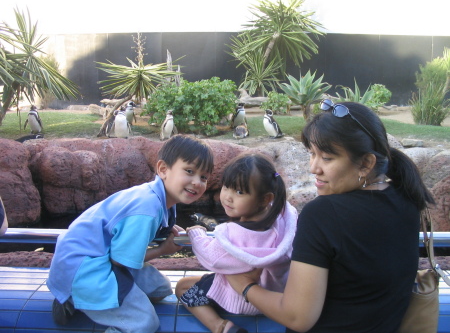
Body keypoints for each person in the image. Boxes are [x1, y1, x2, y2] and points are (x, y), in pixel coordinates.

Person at [225, 100, 435, 332]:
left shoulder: (324, 214)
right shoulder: (407, 198)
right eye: (312, 154)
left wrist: (245, 286)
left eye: (327, 158)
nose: (314, 167)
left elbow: (297, 317)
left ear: (366, 163)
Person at [47, 135, 214, 333]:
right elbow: (121, 261)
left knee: (161, 289)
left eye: (203, 177)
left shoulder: (156, 198)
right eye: (189, 171)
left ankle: (83, 300)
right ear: (163, 169)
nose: (197, 182)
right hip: (85, 269)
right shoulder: (147, 208)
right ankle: (74, 297)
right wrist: (163, 250)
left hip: (98, 257)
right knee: (145, 324)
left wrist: (169, 228)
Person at [175, 153, 298, 333]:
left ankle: (220, 327)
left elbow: (211, 257)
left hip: (244, 298)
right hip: (273, 296)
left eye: (239, 192)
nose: (227, 197)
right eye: (226, 187)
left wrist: (196, 234)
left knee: (182, 287)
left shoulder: (234, 234)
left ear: (265, 199)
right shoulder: (283, 218)